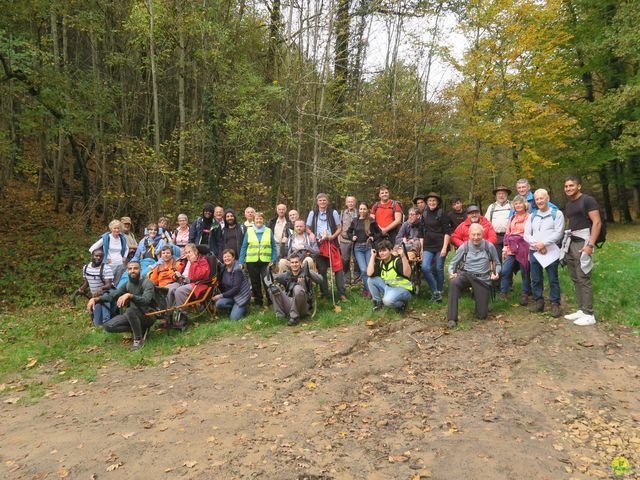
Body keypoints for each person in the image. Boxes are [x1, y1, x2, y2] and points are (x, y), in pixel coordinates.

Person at [561, 176, 602, 326]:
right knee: (575, 277)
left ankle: (589, 314)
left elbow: (597, 222)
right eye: (566, 186)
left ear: (579, 186)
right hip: (571, 243)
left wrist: (590, 245)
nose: (568, 188)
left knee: (583, 276)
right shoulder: (569, 204)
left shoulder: (588, 200)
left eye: (571, 185)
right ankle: (581, 309)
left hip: (584, 243)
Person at [87, 261, 155, 351]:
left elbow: (146, 301)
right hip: (132, 315)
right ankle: (138, 329)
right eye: (130, 269)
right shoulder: (127, 284)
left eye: (135, 268)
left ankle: (138, 339)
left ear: (140, 270)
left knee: (130, 311)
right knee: (108, 326)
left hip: (148, 315)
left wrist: (130, 296)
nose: (132, 271)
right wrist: (96, 299)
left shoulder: (147, 283)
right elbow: (113, 295)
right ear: (127, 271)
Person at [446, 224, 501, 329]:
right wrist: (451, 272)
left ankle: (478, 303)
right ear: (469, 235)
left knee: (482, 316)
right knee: (454, 282)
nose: (476, 237)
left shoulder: (489, 246)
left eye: (478, 234)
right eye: (473, 235)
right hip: (466, 275)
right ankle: (452, 318)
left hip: (482, 279)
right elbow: (453, 263)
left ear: (482, 235)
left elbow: (497, 263)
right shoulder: (464, 246)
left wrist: (496, 273)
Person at [523, 189, 564, 318]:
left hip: (550, 251)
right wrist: (537, 245)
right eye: (537, 199)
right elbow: (526, 234)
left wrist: (544, 244)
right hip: (535, 251)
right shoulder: (532, 216)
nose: (539, 201)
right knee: (535, 278)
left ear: (548, 198)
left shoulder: (557, 214)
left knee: (553, 278)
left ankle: (555, 303)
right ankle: (539, 301)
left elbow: (559, 233)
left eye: (542, 198)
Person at [306, 193, 347, 301]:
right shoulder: (313, 213)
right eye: (320, 200)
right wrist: (311, 233)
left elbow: (339, 228)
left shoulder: (333, 212)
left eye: (324, 200)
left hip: (332, 244)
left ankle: (342, 293)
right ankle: (324, 293)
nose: (322, 202)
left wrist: (332, 236)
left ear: (327, 201)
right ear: (317, 202)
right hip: (319, 245)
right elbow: (307, 227)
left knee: (338, 268)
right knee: (322, 270)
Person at [267, 254, 324, 326]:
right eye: (292, 262)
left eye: (296, 262)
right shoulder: (286, 275)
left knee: (297, 288)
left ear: (300, 263)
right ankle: (280, 316)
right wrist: (269, 273)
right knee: (274, 288)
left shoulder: (306, 272)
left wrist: (309, 274)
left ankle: (294, 317)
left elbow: (321, 279)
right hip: (289, 304)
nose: (294, 264)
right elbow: (269, 278)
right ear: (290, 264)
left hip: (303, 306)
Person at [165, 243, 212, 328]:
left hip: (196, 283)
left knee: (180, 291)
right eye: (186, 252)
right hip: (181, 281)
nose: (187, 254)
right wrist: (176, 275)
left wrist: (194, 262)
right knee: (167, 289)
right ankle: (169, 317)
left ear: (195, 252)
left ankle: (183, 317)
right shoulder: (184, 261)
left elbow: (198, 276)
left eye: (189, 252)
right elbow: (175, 272)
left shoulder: (202, 260)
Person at [239, 212, 277, 307]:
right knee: (255, 282)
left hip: (266, 261)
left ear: (263, 220)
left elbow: (274, 246)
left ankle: (270, 300)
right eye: (257, 219)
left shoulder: (268, 231)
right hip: (252, 261)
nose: (259, 220)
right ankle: (258, 302)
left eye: (260, 219)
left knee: (267, 281)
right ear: (254, 220)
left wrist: (273, 258)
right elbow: (244, 246)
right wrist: (241, 261)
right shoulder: (249, 231)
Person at [499, 195, 531, 305]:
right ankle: (503, 292)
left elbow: (531, 233)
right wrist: (505, 247)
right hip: (511, 247)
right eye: (516, 204)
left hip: (524, 247)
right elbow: (507, 233)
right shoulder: (512, 218)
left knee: (525, 271)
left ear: (525, 204)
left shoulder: (529, 217)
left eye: (520, 203)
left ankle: (525, 294)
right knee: (506, 270)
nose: (518, 205)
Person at [367, 239, 413, 313]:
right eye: (380, 251)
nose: (382, 253)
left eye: (384, 250)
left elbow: (408, 274)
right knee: (370, 280)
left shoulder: (397, 261)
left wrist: (403, 256)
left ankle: (401, 304)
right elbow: (369, 274)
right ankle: (378, 303)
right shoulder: (381, 263)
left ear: (391, 251)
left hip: (402, 289)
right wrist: (372, 256)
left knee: (387, 301)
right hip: (389, 287)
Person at [420, 192, 451, 302]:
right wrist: (422, 248)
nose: (432, 203)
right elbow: (421, 232)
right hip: (428, 245)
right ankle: (435, 291)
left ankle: (440, 290)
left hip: (440, 245)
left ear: (437, 202)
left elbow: (447, 232)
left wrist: (444, 248)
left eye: (434, 201)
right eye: (429, 201)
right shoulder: (424, 213)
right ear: (427, 202)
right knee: (425, 267)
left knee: (439, 268)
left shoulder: (442, 213)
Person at [347, 202, 381, 298]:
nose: (362, 211)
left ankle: (367, 290)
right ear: (359, 210)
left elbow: (379, 232)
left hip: (368, 247)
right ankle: (370, 291)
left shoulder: (371, 220)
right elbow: (348, 232)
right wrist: (352, 237)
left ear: (367, 210)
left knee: (370, 270)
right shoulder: (355, 221)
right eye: (361, 209)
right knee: (363, 269)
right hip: (358, 248)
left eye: (364, 209)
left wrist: (373, 238)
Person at [212, 249, 251, 321]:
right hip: (231, 296)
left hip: (241, 297)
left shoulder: (237, 270)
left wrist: (220, 296)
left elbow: (236, 289)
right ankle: (235, 307)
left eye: (229, 256)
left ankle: (245, 307)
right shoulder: (223, 268)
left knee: (233, 319)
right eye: (225, 257)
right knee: (219, 304)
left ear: (233, 257)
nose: (227, 258)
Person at [77, 249, 114, 326]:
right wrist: (82, 288)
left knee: (105, 317)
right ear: (92, 256)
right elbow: (87, 282)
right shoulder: (86, 268)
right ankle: (99, 328)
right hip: (95, 295)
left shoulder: (106, 268)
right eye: (96, 256)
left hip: (106, 294)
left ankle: (108, 327)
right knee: (97, 322)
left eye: (100, 256)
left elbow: (109, 285)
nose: (98, 258)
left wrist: (101, 288)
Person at [485, 185, 512, 254]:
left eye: (503, 193)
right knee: (496, 258)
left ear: (507, 195)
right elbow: (486, 222)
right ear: (496, 195)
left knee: (510, 259)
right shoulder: (491, 207)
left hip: (510, 236)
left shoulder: (512, 205)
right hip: (495, 236)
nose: (501, 196)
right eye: (499, 194)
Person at [339, 196, 360, 284]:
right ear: (346, 203)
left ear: (355, 203)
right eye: (349, 202)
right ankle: (346, 281)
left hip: (357, 240)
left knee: (356, 260)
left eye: (352, 202)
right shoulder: (342, 213)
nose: (350, 203)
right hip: (344, 240)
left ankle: (357, 281)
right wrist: (338, 238)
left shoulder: (359, 212)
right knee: (345, 260)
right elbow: (339, 226)